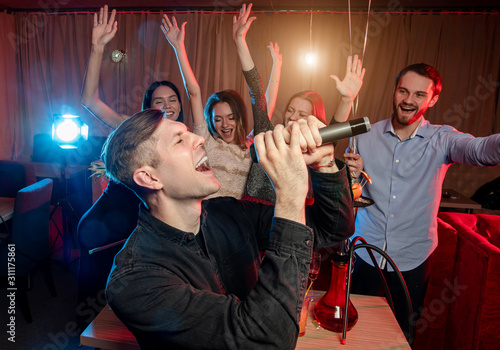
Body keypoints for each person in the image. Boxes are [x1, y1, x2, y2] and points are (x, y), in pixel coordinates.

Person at [103, 109, 355, 349]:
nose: (200, 138)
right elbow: (266, 340)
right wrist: (289, 194)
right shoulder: (134, 282)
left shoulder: (229, 211)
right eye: (179, 140)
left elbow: (331, 228)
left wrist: (325, 164)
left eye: (189, 132)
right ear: (149, 178)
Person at [343, 63, 500, 340]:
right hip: (364, 249)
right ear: (394, 91)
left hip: (413, 257)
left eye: (418, 94)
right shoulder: (364, 134)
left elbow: (479, 151)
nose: (408, 100)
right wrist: (352, 177)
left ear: (433, 99)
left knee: (400, 333)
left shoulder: (442, 139)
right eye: (403, 91)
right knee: (353, 326)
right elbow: (348, 188)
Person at [76, 5, 186, 321]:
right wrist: (98, 47)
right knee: (97, 308)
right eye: (158, 102)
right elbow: (89, 101)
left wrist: (178, 49)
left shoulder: (182, 138)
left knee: (126, 303)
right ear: (147, 109)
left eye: (172, 100)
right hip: (104, 226)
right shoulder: (135, 129)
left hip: (134, 231)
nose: (167, 107)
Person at [161, 3, 275, 199]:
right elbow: (194, 92)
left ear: (239, 118)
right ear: (211, 121)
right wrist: (178, 47)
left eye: (231, 117)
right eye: (218, 119)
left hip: (242, 221)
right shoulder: (206, 141)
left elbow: (263, 104)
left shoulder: (251, 145)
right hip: (212, 220)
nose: (225, 124)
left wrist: (275, 65)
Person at [245, 55, 366, 203]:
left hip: (290, 219)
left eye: (302, 114)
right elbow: (257, 96)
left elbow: (336, 129)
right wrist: (240, 40)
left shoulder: (317, 146)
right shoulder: (268, 136)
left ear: (314, 120)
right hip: (250, 214)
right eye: (290, 110)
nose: (293, 117)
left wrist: (347, 100)